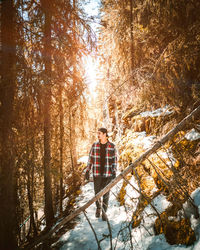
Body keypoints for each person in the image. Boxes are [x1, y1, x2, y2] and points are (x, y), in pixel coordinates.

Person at [85, 127, 117, 221]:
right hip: (97, 174)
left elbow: (114, 160)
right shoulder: (94, 145)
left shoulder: (112, 146)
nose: (98, 135)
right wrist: (87, 170)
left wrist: (114, 171)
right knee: (97, 193)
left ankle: (104, 213)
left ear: (104, 134)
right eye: (98, 133)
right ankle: (98, 208)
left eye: (99, 133)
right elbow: (90, 159)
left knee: (106, 194)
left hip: (108, 174)